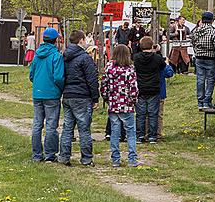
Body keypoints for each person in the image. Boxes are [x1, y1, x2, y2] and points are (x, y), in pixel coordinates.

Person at [57, 29, 99, 166]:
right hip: (82, 96)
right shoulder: (85, 58)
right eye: (85, 40)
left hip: (68, 95)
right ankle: (86, 158)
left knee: (68, 128)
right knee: (84, 129)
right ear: (81, 40)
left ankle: (64, 157)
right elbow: (92, 79)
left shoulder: (64, 56)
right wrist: (95, 98)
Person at [29, 27, 65, 163]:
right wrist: (60, 89)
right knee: (51, 125)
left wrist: (38, 84)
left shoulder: (37, 55)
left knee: (37, 124)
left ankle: (37, 155)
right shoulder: (56, 56)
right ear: (56, 40)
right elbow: (59, 77)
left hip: (37, 94)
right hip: (52, 94)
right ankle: (50, 154)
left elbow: (31, 75)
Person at [101, 44, 140, 167]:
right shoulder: (130, 69)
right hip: (127, 104)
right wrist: (134, 100)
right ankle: (132, 159)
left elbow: (104, 85)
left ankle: (115, 159)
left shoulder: (109, 68)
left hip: (113, 103)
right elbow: (133, 88)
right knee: (131, 133)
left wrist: (106, 98)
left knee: (115, 132)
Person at [133, 36, 164, 144]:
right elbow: (163, 66)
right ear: (152, 46)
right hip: (154, 88)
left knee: (140, 114)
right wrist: (157, 52)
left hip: (140, 88)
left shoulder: (136, 58)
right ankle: (152, 136)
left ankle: (140, 136)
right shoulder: (157, 58)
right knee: (153, 114)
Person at [191, 11, 215, 111]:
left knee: (200, 80)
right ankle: (207, 102)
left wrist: (197, 52)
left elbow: (193, 43)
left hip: (199, 58)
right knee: (210, 80)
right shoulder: (214, 32)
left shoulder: (195, 31)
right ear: (212, 20)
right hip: (210, 58)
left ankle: (200, 102)